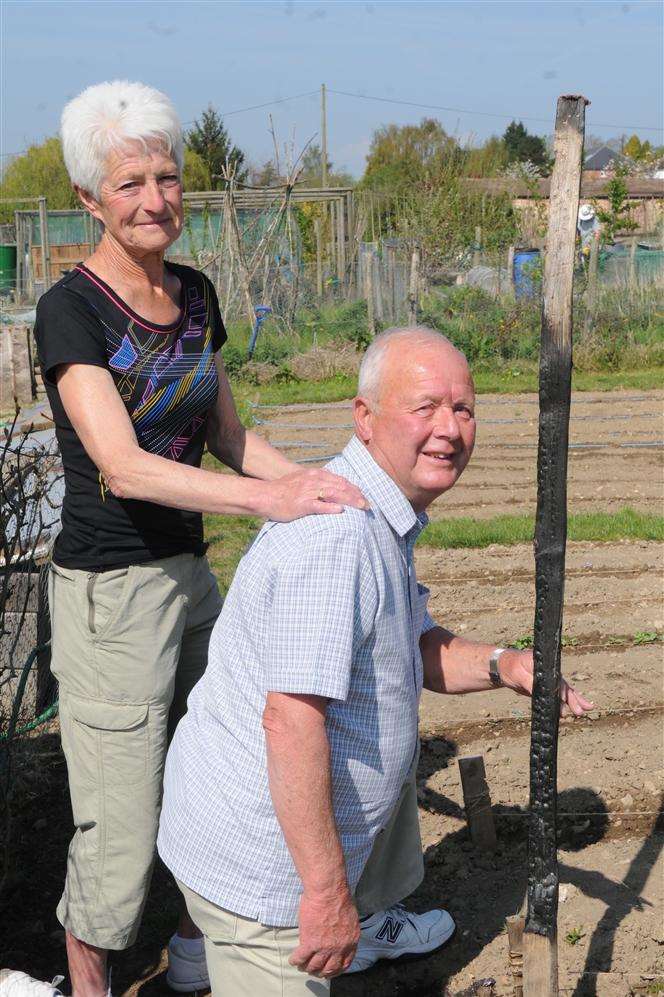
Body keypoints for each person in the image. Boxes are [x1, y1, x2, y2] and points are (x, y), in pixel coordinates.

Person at [23, 80, 366, 997]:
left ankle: (190, 951)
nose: (153, 199)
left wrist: (313, 486)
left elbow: (226, 434)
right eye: (128, 182)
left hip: (191, 578)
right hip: (111, 598)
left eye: (166, 177)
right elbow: (123, 466)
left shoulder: (197, 293)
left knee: (220, 776)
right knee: (120, 819)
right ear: (91, 200)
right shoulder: (72, 311)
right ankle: (85, 979)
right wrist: (268, 505)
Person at [158, 327, 593, 996]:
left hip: (274, 852)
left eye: (463, 408)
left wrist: (506, 664)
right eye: (426, 407)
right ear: (365, 418)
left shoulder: (378, 510)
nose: (449, 428)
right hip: (269, 878)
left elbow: (411, 644)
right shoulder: (341, 538)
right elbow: (290, 722)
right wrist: (328, 896)